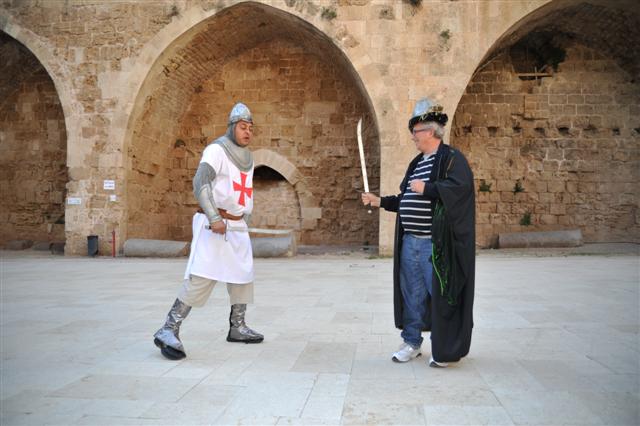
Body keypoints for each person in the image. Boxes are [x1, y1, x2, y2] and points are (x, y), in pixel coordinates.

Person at [362, 98, 475, 368]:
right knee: (411, 294)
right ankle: (411, 342)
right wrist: (379, 201)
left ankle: (444, 348)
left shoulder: (451, 159)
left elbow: (459, 190)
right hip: (410, 242)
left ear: (431, 131)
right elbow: (405, 200)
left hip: (435, 246)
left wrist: (428, 188)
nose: (413, 136)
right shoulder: (416, 163)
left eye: (416, 131)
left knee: (441, 296)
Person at [153, 102, 263, 360]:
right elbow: (200, 182)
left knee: (242, 276)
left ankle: (238, 327)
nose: (247, 132)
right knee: (202, 277)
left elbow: (241, 191)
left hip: (236, 226)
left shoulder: (249, 157)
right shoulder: (216, 150)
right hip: (215, 225)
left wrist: (243, 216)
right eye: (243, 127)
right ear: (232, 127)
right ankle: (168, 329)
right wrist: (214, 216)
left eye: (250, 128)